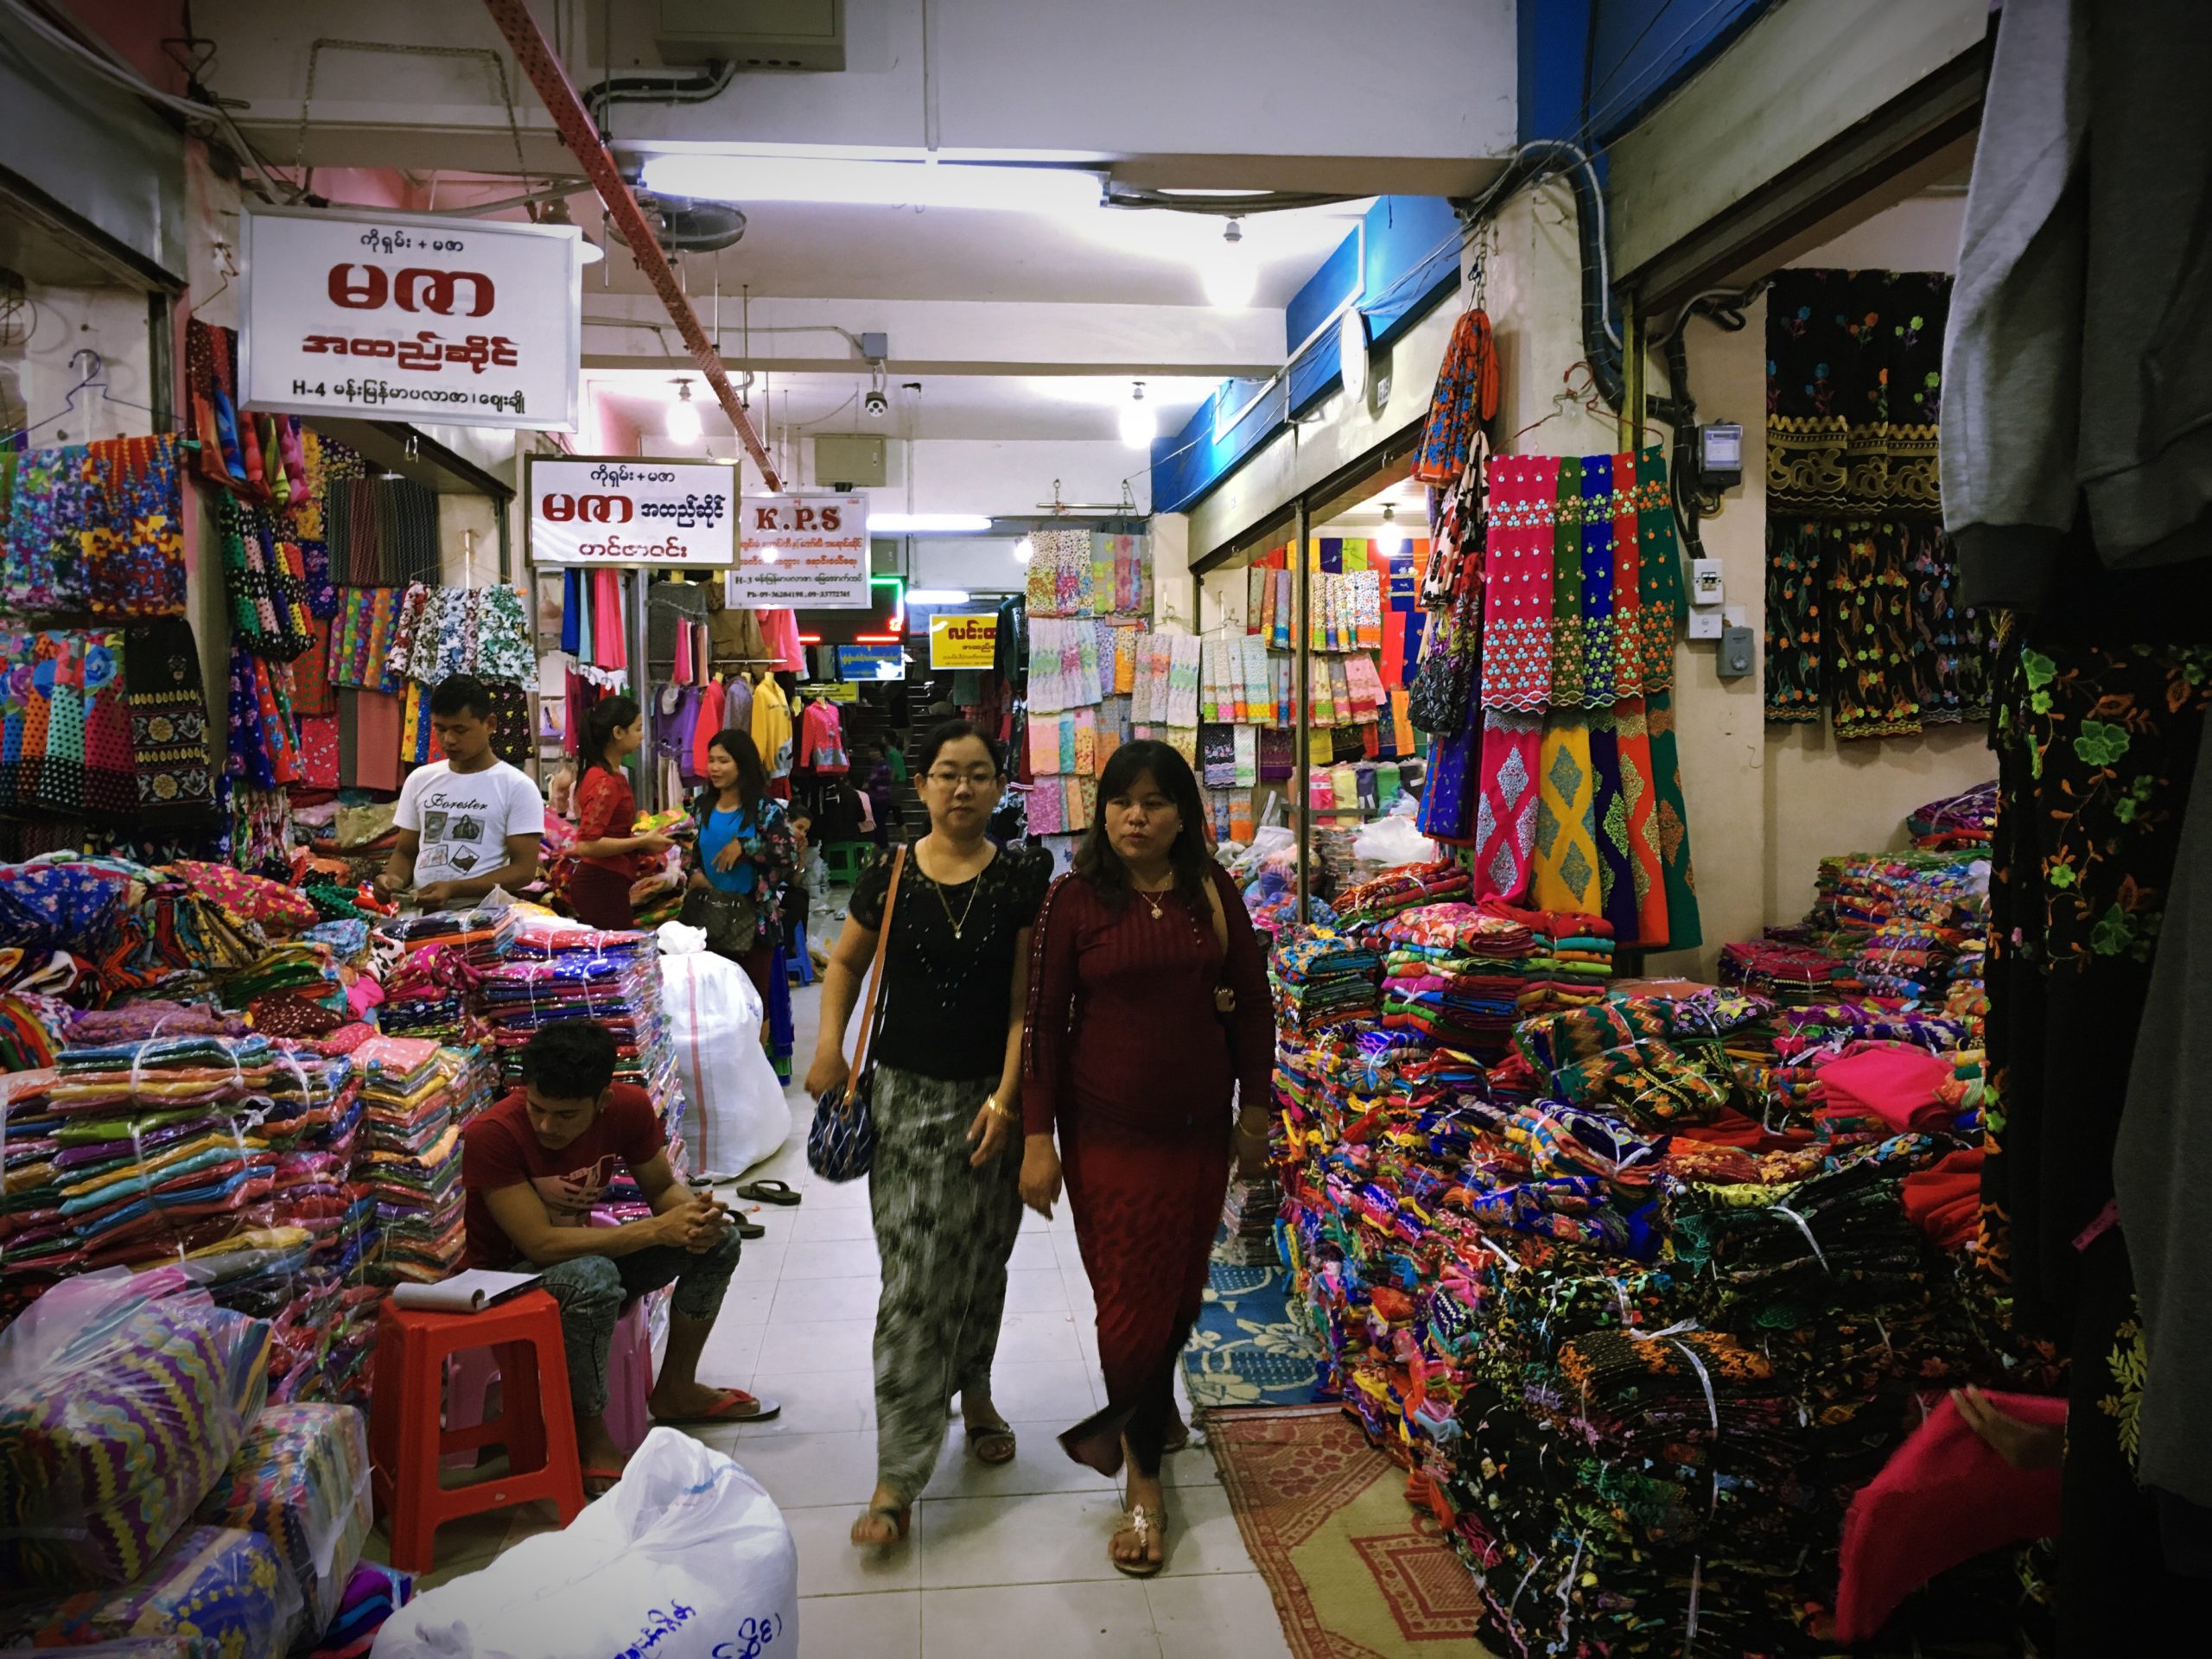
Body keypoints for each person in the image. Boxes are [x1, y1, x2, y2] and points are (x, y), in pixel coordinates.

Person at [1020, 739, 1272, 1577]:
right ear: (1102, 811)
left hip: (1197, 1134)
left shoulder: (1212, 891)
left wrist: (1255, 1114)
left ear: (1182, 815)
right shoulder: (1073, 901)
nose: (1137, 815)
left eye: (1155, 802)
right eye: (1122, 800)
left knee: (1172, 1295)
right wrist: (1035, 1139)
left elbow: (1255, 1010)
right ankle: (1142, 1480)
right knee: (1126, 1304)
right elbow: (1044, 1027)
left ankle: (1152, 1410)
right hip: (1106, 1140)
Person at [804, 720, 1051, 1548]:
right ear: (924, 784)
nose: (962, 789)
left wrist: (1011, 1101)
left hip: (991, 1101)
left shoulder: (1021, 879)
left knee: (982, 1258)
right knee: (912, 1282)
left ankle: (974, 1391)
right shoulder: (892, 872)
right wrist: (830, 1045)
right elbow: (843, 964)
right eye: (947, 774)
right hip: (903, 1102)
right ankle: (897, 1477)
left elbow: (1025, 1004)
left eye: (978, 775)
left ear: (998, 785)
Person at [459, 1021, 779, 1491]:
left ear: (602, 1101)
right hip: (507, 1281)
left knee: (718, 1244)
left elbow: (662, 1188)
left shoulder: (627, 1109)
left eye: (566, 1115)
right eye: (537, 1109)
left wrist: (694, 1217)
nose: (547, 1126)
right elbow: (540, 1246)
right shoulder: (493, 1134)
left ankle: (676, 1390)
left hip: (585, 1262)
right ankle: (590, 1438)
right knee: (593, 1276)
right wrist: (656, 1229)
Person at [376, 675, 545, 911]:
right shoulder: (420, 779)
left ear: (490, 724)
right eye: (440, 729)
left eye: (460, 729)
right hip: (419, 917)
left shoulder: (518, 787)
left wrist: (455, 888)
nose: (448, 740)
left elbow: (523, 871)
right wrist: (392, 880)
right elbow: (406, 852)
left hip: (483, 918)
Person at [690, 728, 796, 1004]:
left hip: (754, 922)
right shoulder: (701, 807)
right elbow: (692, 853)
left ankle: (756, 1048)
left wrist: (745, 846)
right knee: (714, 1003)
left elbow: (788, 853)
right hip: (708, 918)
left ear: (743, 763)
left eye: (723, 761)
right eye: (711, 760)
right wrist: (696, 875)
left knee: (753, 1002)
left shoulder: (766, 809)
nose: (714, 767)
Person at [565, 695, 675, 931]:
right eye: (637, 729)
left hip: (609, 881)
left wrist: (643, 843)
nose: (642, 735)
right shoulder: (604, 781)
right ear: (617, 732)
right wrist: (643, 840)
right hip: (600, 884)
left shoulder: (608, 775)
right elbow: (587, 844)